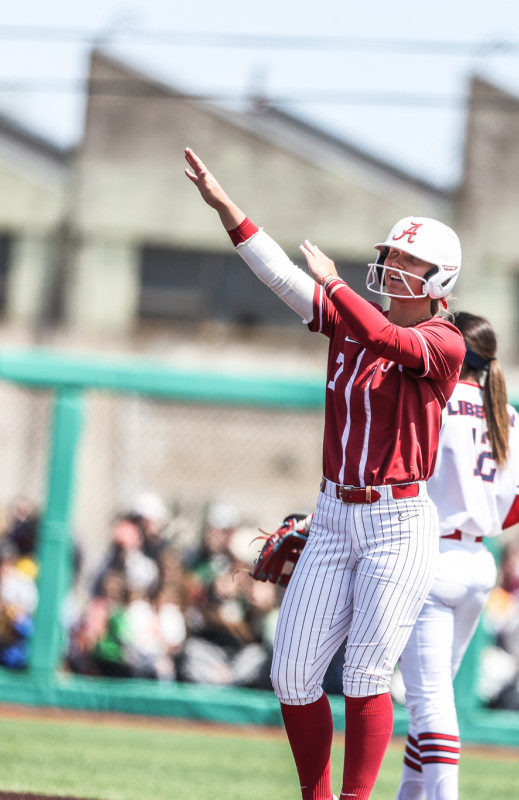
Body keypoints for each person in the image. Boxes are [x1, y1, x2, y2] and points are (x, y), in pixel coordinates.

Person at [185, 147, 465, 800]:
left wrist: (337, 286)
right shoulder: (349, 320)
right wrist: (226, 208)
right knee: (291, 674)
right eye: (391, 254)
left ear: (439, 280)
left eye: (408, 260)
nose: (392, 264)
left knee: (366, 675)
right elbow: (281, 278)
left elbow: (391, 342)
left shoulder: (445, 340)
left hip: (399, 521)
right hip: (335, 513)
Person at [392, 311, 519, 800]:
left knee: (429, 701)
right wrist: (476, 517)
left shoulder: (435, 400)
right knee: (434, 700)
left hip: (430, 557)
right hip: (476, 562)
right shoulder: (510, 416)